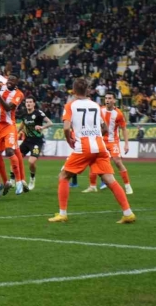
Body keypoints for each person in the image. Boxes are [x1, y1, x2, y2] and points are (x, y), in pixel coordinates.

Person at [48, 78, 135, 224]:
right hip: (100, 146)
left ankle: (62, 214)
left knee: (63, 176)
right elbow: (106, 128)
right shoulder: (96, 105)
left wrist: (70, 140)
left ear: (74, 91)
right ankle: (128, 213)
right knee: (109, 180)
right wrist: (96, 134)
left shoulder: (70, 105)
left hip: (84, 146)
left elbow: (66, 127)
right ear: (87, 90)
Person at [0, 72, 27, 198]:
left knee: (9, 151)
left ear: (16, 83)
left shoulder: (19, 94)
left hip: (8, 125)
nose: (10, 81)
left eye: (13, 80)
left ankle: (18, 181)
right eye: (9, 79)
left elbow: (9, 108)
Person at [83, 93, 133, 194]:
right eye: (106, 98)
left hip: (112, 141)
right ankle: (92, 186)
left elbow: (124, 128)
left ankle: (127, 186)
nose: (107, 100)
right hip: (100, 140)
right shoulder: (100, 110)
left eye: (110, 98)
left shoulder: (118, 114)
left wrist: (126, 144)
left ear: (114, 101)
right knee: (93, 161)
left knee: (117, 161)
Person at [17, 96, 52, 190]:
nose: (28, 103)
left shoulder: (38, 113)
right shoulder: (24, 114)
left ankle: (32, 179)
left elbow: (50, 123)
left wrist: (42, 127)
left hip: (36, 141)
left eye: (30, 102)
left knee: (31, 162)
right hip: (26, 141)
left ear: (34, 103)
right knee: (16, 159)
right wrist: (16, 132)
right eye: (27, 102)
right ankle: (14, 179)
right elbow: (22, 124)